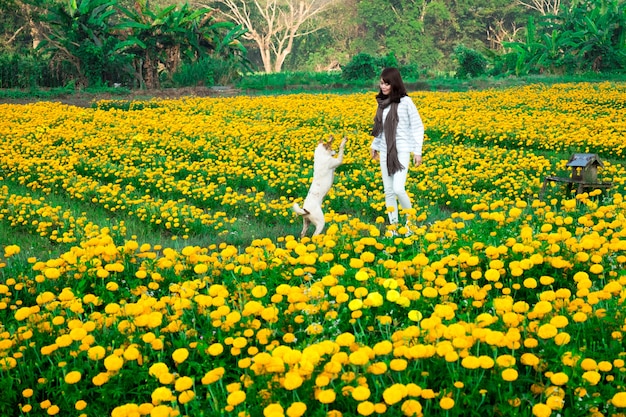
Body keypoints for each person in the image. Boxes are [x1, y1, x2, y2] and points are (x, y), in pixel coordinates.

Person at [370, 67, 424, 231]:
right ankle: (393, 226)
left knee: (398, 188)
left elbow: (417, 127)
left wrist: (418, 151)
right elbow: (380, 128)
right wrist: (375, 145)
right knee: (388, 191)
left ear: (395, 84)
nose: (384, 87)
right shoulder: (382, 104)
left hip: (402, 151)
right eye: (382, 83)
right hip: (386, 151)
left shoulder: (406, 102)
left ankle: (411, 222)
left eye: (387, 84)